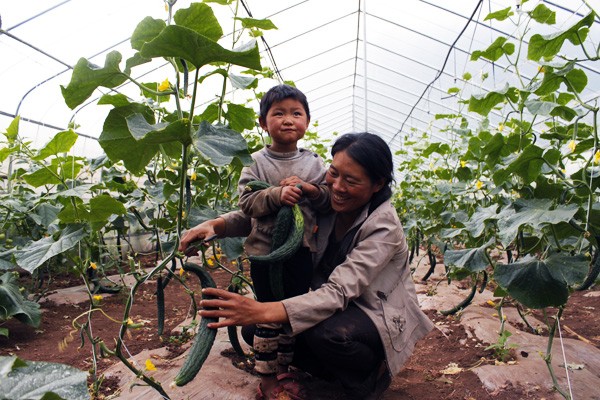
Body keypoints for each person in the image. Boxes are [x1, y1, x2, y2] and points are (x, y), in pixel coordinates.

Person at [179, 132, 433, 400]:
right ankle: (330, 372)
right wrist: (216, 225)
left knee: (326, 333)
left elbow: (338, 292)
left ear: (378, 184)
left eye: (351, 181)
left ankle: (370, 376)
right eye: (333, 173)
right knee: (255, 330)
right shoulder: (327, 202)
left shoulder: (384, 226)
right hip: (331, 306)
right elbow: (272, 220)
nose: (337, 187)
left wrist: (262, 309)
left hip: (371, 314)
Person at [230, 84, 333, 399]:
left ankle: (286, 369)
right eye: (279, 114)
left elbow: (327, 200)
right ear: (263, 123)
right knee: (266, 315)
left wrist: (308, 189)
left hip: (301, 251)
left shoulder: (314, 164)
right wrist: (276, 194)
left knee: (291, 314)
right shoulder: (255, 162)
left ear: (307, 122)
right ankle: (267, 377)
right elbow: (247, 203)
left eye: (296, 113)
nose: (288, 119)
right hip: (265, 253)